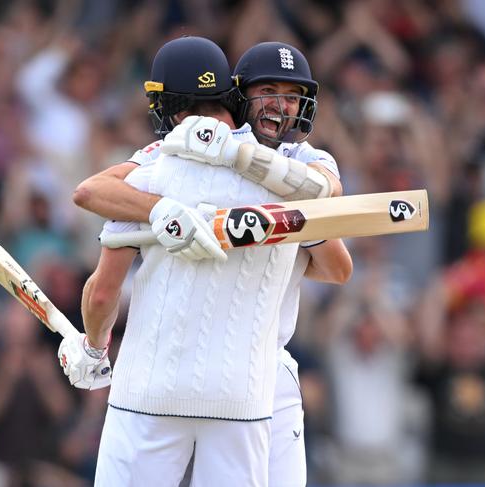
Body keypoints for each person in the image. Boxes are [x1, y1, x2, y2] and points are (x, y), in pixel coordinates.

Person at [70, 40, 352, 487]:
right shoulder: (164, 165)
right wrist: (164, 210)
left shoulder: (296, 164)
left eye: (292, 95)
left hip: (198, 380)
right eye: (269, 90)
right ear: (236, 96)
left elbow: (333, 230)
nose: (281, 105)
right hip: (245, 390)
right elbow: (90, 191)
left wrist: (92, 347)